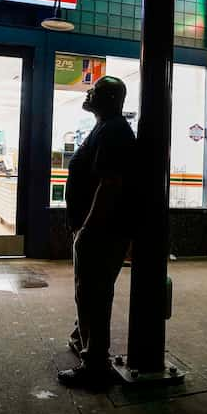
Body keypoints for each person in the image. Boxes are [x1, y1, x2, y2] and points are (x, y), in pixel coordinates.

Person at [57, 76, 135, 388]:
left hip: (101, 231)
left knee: (94, 293)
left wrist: (89, 227)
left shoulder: (114, 130)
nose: (88, 93)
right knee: (88, 291)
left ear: (109, 99)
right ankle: (84, 339)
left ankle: (96, 364)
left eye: (95, 90)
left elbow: (110, 184)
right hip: (96, 229)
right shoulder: (105, 127)